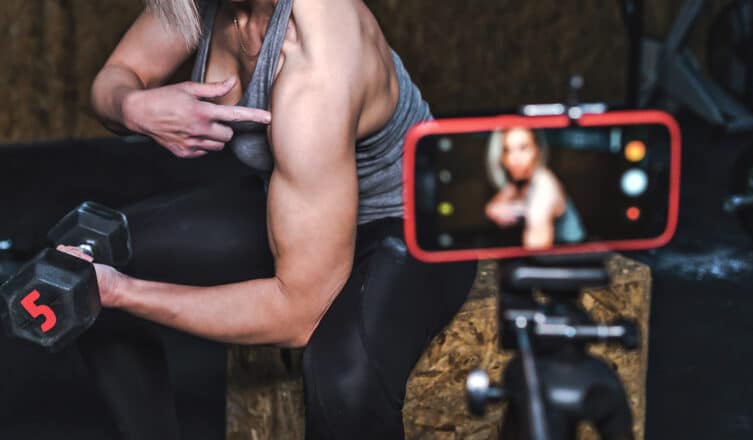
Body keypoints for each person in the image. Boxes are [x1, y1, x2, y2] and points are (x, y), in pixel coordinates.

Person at [63, 0, 477, 439]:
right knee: (90, 259)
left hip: (411, 219)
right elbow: (116, 75)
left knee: (343, 380)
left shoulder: (315, 62)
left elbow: (300, 313)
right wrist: (131, 106)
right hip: (301, 205)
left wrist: (124, 292)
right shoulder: (201, 5)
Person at [485, 127, 585, 249]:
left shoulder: (544, 186)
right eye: (507, 150)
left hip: (569, 263)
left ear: (537, 149)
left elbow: (537, 250)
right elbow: (492, 208)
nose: (514, 159)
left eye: (523, 148)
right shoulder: (521, 182)